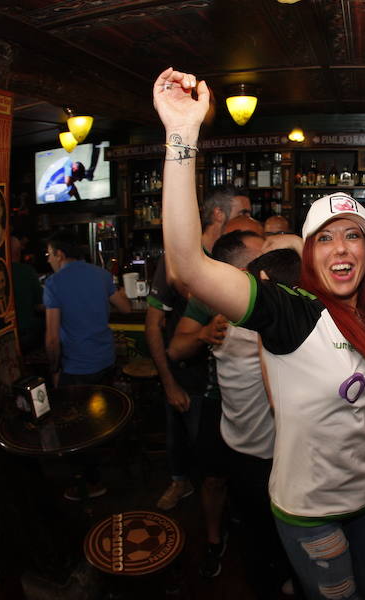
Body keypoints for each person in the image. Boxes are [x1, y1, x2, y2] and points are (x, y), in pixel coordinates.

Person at [152, 67, 365, 598]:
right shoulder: (291, 313)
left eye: (354, 236)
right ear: (307, 255)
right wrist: (182, 136)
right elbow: (187, 265)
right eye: (324, 239)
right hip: (311, 512)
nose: (342, 247)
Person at [170, 231, 289, 594]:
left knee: (266, 504)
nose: (269, 255)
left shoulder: (270, 299)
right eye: (261, 252)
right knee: (221, 483)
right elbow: (176, 347)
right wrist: (204, 333)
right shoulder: (217, 303)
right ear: (238, 268)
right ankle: (215, 542)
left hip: (262, 425)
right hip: (229, 416)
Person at [145, 184, 248, 522]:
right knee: (194, 450)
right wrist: (169, 383)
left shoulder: (232, 255)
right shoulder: (179, 257)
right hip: (188, 375)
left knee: (224, 456)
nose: (249, 219)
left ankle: (229, 508)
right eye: (242, 213)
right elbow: (154, 325)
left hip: (225, 382)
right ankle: (184, 487)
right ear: (218, 214)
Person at [43, 230, 131, 500]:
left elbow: (52, 339)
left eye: (49, 254)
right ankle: (110, 469)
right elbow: (126, 308)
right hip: (105, 360)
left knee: (76, 427)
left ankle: (91, 483)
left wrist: (54, 370)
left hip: (77, 367)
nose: (48, 259)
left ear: (59, 254)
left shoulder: (53, 284)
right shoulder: (101, 275)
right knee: (100, 415)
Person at [10, 235, 44, 353]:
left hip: (6, 336)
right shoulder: (27, 271)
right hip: (27, 333)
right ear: (19, 252)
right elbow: (39, 306)